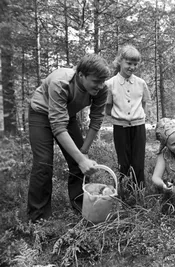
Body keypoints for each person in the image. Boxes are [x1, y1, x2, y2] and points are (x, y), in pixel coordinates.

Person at [28, 54, 110, 222]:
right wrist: (81, 159)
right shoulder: (61, 82)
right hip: (40, 113)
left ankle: (81, 206)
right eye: (95, 81)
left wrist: (83, 152)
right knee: (43, 163)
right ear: (81, 75)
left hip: (67, 114)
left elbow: (96, 120)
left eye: (102, 81)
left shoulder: (102, 89)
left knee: (78, 161)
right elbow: (58, 126)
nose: (100, 86)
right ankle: (38, 219)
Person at [105, 45, 150, 188]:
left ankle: (138, 192)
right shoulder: (110, 84)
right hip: (120, 127)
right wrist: (118, 118)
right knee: (123, 162)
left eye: (135, 64)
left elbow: (144, 103)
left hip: (138, 127)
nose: (132, 67)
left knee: (138, 161)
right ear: (120, 61)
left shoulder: (141, 83)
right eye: (129, 63)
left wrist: (138, 117)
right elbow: (107, 107)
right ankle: (123, 191)